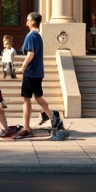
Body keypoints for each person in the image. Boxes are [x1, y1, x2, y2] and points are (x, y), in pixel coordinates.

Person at [13, 11, 60, 139]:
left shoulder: (31, 36)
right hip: (38, 71)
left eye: (28, 19)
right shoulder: (38, 35)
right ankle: (51, 116)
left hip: (31, 72)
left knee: (26, 98)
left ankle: (27, 127)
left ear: (33, 21)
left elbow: (31, 54)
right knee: (38, 96)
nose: (26, 22)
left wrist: (22, 67)